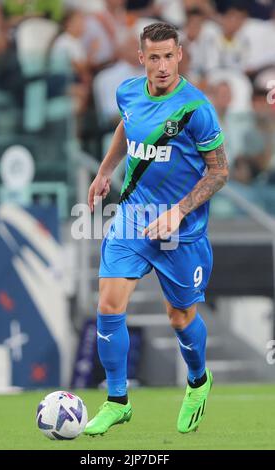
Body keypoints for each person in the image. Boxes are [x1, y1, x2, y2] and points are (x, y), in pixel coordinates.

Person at [84, 22, 229, 436]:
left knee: (180, 317)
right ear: (141, 58)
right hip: (133, 216)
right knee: (109, 304)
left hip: (181, 230)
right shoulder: (128, 91)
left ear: (179, 55)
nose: (162, 65)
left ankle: (199, 381)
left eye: (169, 56)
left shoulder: (196, 109)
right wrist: (105, 170)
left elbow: (220, 172)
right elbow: (127, 126)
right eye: (154, 57)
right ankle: (117, 401)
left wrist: (179, 211)